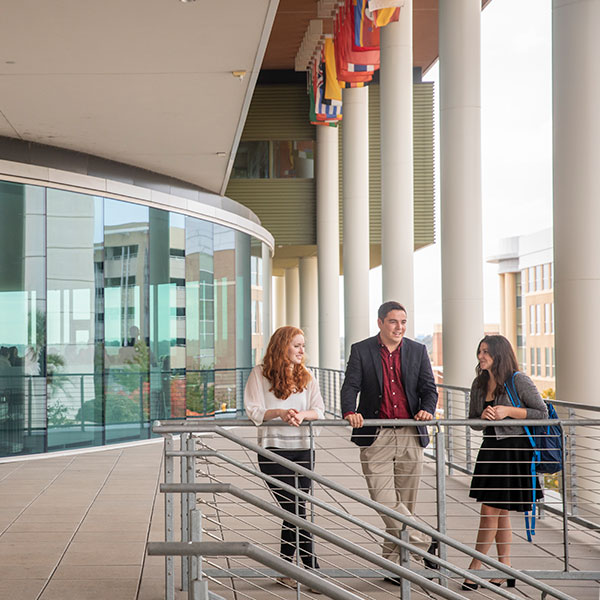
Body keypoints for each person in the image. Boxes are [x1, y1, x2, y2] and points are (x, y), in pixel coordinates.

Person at [340, 301, 439, 576]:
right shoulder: (361, 350)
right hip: (376, 434)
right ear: (380, 322)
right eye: (394, 322)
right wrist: (349, 410)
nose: (400, 327)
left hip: (410, 433)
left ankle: (394, 566)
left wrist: (427, 409)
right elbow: (351, 385)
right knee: (382, 499)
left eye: (404, 322)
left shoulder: (418, 350)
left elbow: (429, 388)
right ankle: (426, 542)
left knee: (405, 505)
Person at [462, 335, 548, 590]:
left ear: (500, 354)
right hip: (490, 450)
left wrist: (508, 411)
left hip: (514, 451)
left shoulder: (518, 380)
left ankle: (474, 567)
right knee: (499, 513)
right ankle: (505, 568)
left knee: (490, 511)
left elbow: (541, 413)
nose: (481, 356)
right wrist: (484, 417)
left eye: (486, 352)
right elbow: (473, 423)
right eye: (480, 351)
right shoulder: (479, 383)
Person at [244, 326, 325, 591]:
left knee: (295, 508)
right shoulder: (259, 374)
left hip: (304, 450)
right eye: (297, 345)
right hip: (273, 451)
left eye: (303, 345)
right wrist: (279, 412)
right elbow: (253, 410)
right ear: (282, 347)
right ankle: (312, 571)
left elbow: (319, 410)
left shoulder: (307, 376)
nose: (303, 351)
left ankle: (285, 569)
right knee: (295, 508)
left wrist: (301, 416)